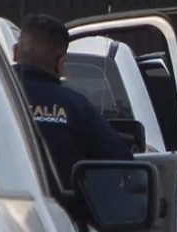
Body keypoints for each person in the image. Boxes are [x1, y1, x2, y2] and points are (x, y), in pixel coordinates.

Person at [12, 14, 131, 188]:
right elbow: (123, 162)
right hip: (62, 205)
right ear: (61, 64)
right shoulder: (77, 107)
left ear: (15, 52)